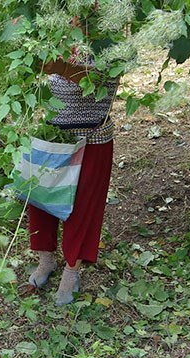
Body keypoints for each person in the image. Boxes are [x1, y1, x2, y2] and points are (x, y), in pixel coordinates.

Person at [26, 34, 120, 306]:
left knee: (81, 208)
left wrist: (61, 68)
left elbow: (99, 83)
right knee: (41, 201)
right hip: (52, 136)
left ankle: (71, 271)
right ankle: (46, 262)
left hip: (91, 139)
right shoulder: (54, 31)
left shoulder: (111, 41)